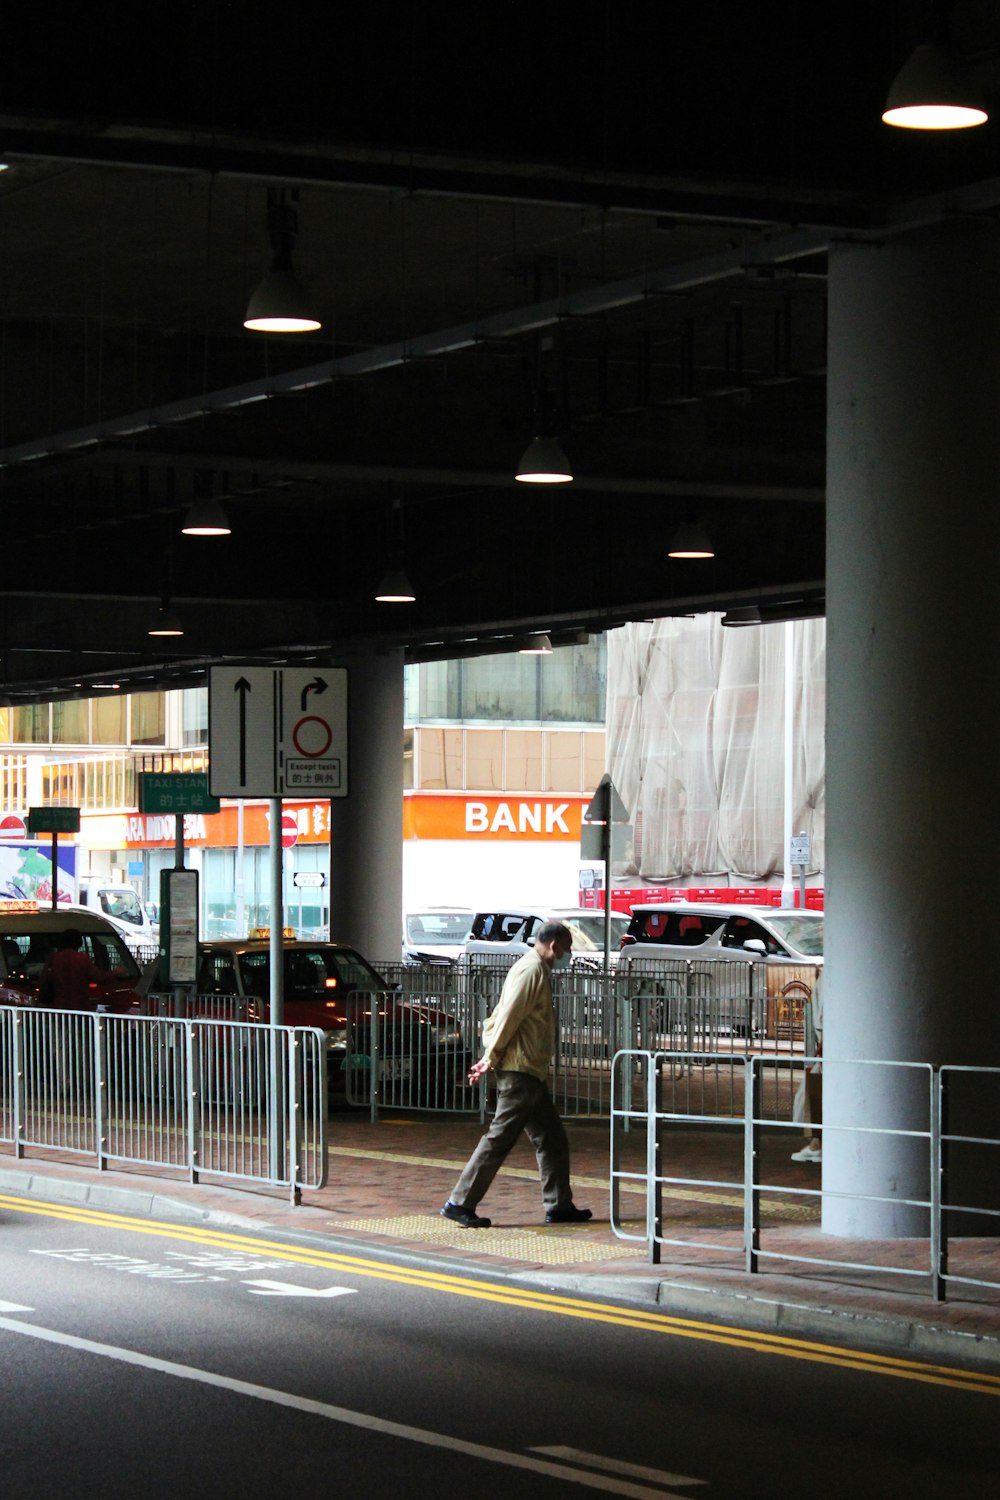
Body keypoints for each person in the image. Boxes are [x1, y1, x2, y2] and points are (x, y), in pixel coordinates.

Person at [440, 920, 592, 1228]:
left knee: (552, 1139)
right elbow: (510, 1015)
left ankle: (559, 1205)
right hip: (519, 1071)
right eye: (568, 948)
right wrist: (489, 1057)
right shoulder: (531, 970)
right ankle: (460, 1201)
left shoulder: (535, 969)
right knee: (499, 1139)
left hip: (529, 1072)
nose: (569, 955)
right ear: (555, 946)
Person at [791, 967, 823, 1163]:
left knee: (814, 1094)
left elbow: (822, 1018)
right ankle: (817, 1143)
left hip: (825, 1050)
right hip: (826, 1049)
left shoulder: (827, 979)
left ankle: (817, 1144)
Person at [40, 928, 103, 1011]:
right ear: (79, 942)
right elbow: (97, 976)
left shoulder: (54, 958)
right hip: (80, 1007)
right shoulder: (83, 958)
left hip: (57, 1007)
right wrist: (116, 972)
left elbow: (44, 979)